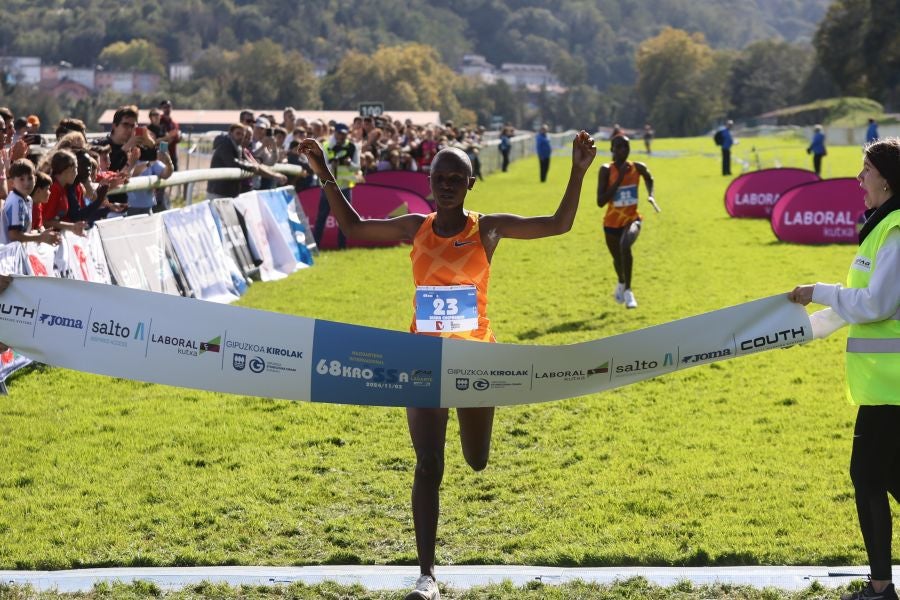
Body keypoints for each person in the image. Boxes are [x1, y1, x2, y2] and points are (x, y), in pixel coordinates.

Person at [299, 130, 596, 600]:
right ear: (430, 182)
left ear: (471, 183)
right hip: (423, 360)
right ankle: (426, 575)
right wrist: (324, 173)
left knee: (476, 460)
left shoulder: (488, 228)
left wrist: (578, 171)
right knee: (428, 465)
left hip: (477, 359)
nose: (448, 184)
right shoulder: (413, 227)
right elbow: (354, 229)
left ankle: (471, 452)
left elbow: (558, 224)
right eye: (441, 177)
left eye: (457, 177)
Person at [788, 137, 900, 600]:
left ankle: (879, 588)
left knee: (867, 478)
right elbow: (854, 308)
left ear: (889, 180)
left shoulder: (895, 230)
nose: (859, 178)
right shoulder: (879, 229)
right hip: (882, 386)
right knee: (884, 478)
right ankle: (880, 586)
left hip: (891, 388)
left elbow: (874, 304)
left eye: (866, 170)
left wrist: (820, 289)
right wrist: (798, 332)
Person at [597, 135, 655, 309]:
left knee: (625, 246)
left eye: (626, 146)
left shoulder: (637, 167)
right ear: (612, 149)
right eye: (619, 146)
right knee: (617, 259)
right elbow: (600, 201)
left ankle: (629, 291)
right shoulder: (606, 170)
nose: (623, 150)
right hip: (611, 223)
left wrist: (650, 195)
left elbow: (649, 177)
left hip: (632, 219)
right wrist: (619, 178)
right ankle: (621, 281)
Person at [313, 123, 358, 249]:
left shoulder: (352, 147)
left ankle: (342, 247)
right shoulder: (326, 146)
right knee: (322, 217)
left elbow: (357, 167)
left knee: (344, 219)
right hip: (328, 188)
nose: (341, 136)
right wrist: (332, 166)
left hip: (344, 187)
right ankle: (316, 246)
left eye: (344, 134)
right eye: (339, 133)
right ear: (335, 133)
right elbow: (321, 167)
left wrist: (349, 164)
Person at [0, 158, 60, 246]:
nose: (27, 183)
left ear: (35, 179)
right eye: (21, 179)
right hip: (10, 254)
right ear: (12, 182)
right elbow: (14, 236)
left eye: (30, 178)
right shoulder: (16, 201)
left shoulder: (26, 199)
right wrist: (40, 237)